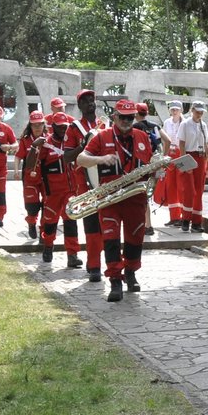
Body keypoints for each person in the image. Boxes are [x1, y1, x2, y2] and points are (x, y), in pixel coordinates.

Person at [77, 97, 155, 302]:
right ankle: (115, 281)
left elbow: (149, 162)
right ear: (114, 117)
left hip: (135, 197)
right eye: (122, 117)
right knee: (111, 240)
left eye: (130, 117)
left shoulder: (142, 136)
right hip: (109, 198)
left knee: (135, 239)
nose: (126, 121)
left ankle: (130, 273)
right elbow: (81, 159)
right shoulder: (101, 136)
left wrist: (157, 171)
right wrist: (100, 159)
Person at [35, 113, 85, 268]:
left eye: (66, 126)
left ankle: (72, 255)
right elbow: (36, 164)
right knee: (50, 222)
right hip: (53, 191)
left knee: (71, 221)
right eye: (60, 126)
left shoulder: (72, 141)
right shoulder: (46, 143)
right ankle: (48, 247)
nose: (63, 129)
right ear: (53, 126)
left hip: (70, 190)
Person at [69, 89, 106, 283]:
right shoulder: (73, 128)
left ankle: (112, 265)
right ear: (80, 106)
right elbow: (66, 156)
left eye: (92, 99)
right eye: (85, 101)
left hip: (107, 182)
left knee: (107, 226)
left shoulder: (105, 124)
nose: (90, 103)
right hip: (85, 184)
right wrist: (83, 146)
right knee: (92, 227)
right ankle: (94, 266)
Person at [175, 101, 208, 231]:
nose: (199, 114)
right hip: (189, 156)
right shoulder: (185, 124)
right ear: (192, 110)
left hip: (201, 157)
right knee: (189, 190)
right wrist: (185, 162)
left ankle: (196, 222)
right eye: (197, 111)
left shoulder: (204, 125)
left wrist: (207, 165)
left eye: (201, 112)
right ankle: (186, 219)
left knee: (199, 190)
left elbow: (207, 144)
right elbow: (182, 144)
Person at [17, 111, 48, 239]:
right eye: (34, 125)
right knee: (32, 205)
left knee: (47, 205)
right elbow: (18, 156)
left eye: (40, 124)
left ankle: (43, 230)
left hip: (46, 177)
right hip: (30, 177)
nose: (37, 128)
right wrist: (16, 170)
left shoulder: (49, 138)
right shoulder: (25, 140)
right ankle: (31, 222)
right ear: (30, 125)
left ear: (43, 125)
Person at [158, 102, 186, 225]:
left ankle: (183, 215)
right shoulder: (167, 122)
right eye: (172, 109)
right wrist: (164, 155)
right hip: (170, 153)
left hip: (181, 153)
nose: (174, 111)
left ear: (181, 111)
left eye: (177, 109)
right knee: (171, 185)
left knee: (181, 185)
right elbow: (165, 141)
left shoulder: (185, 123)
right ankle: (174, 217)